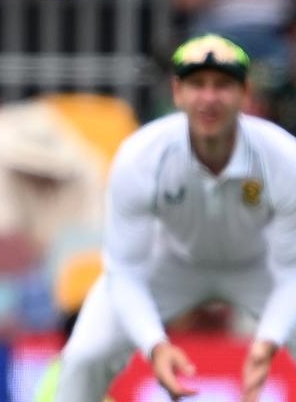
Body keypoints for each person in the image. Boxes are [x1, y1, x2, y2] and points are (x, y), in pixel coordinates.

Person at [56, 34, 296, 402]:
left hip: (258, 267)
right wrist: (155, 345)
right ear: (177, 92)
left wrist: (268, 341)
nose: (209, 98)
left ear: (245, 92)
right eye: (197, 84)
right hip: (168, 265)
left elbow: (291, 270)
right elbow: (125, 271)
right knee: (85, 356)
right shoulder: (141, 156)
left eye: (222, 85)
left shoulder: (282, 157)